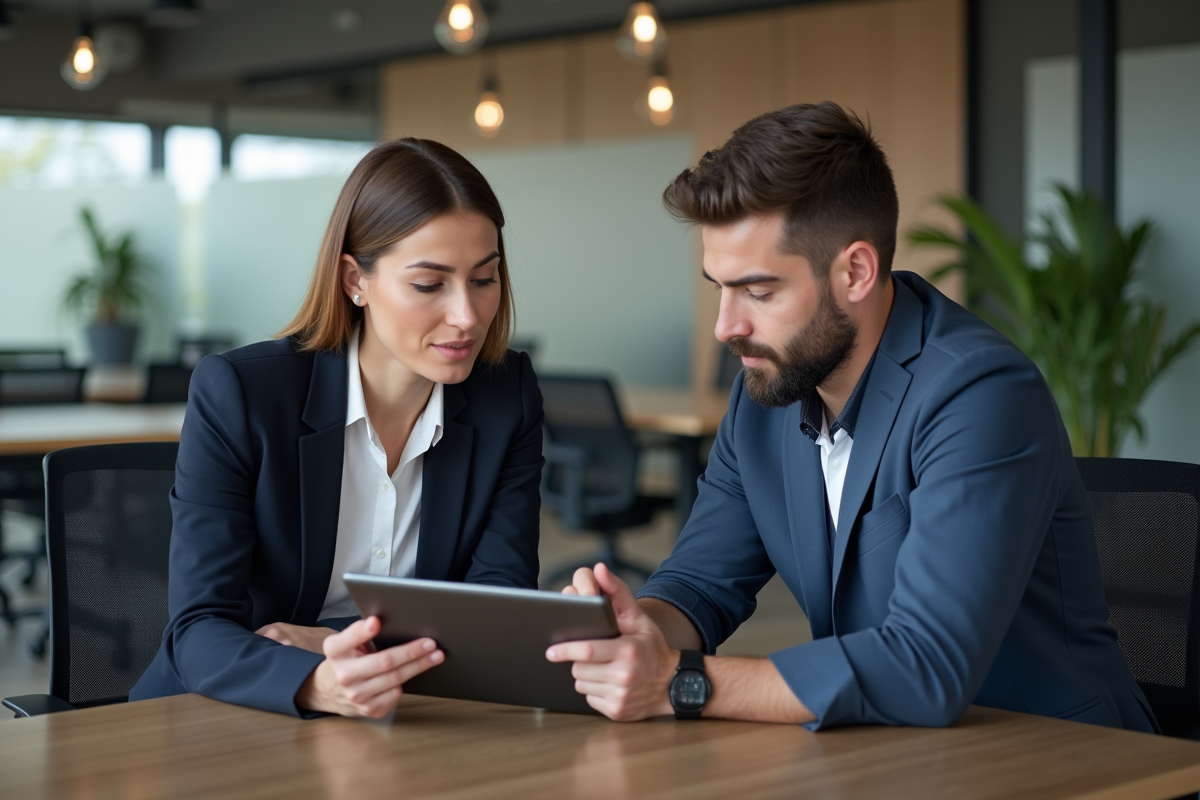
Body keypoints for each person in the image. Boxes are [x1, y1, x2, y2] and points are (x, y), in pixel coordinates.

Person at [547, 102, 1158, 733]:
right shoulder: (767, 395)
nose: (726, 327)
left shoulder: (979, 392)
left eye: (758, 292)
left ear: (856, 272)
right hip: (883, 749)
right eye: (719, 287)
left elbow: (928, 664)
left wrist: (680, 683)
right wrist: (632, 631)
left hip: (1058, 754)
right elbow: (699, 585)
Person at [131, 138, 544, 718]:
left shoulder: (507, 396)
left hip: (409, 713)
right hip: (229, 710)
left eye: (484, 279)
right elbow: (198, 631)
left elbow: (498, 610)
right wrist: (317, 679)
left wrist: (329, 641)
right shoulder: (241, 394)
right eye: (429, 284)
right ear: (355, 280)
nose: (468, 316)